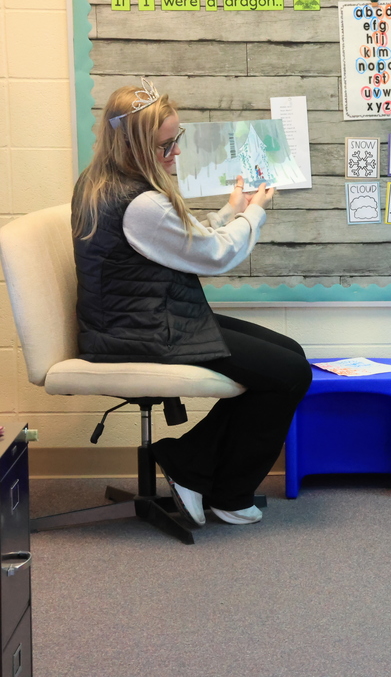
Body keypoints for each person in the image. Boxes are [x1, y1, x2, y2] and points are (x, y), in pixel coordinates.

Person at [71, 78, 311, 527]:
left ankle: (192, 463)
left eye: (176, 140)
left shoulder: (101, 181)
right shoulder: (139, 202)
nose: (176, 152)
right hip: (139, 331)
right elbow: (213, 255)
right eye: (166, 144)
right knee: (290, 373)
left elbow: (175, 242)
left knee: (289, 355)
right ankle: (225, 488)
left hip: (137, 317)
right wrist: (253, 211)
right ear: (136, 144)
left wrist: (229, 210)